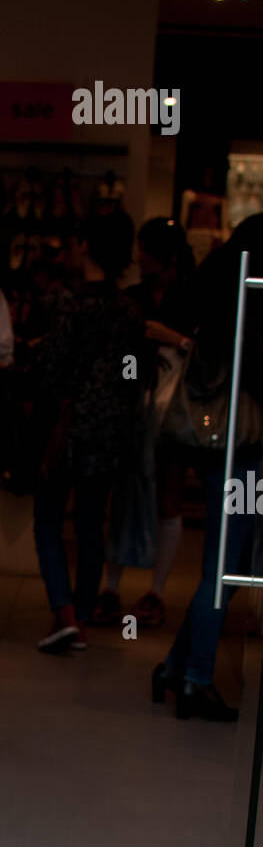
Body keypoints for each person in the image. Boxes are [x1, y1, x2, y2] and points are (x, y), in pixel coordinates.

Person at [153, 213, 263, 721]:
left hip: (223, 447)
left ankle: (177, 668)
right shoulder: (247, 295)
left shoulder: (220, 290)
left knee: (225, 564)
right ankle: (194, 678)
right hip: (244, 452)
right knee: (226, 567)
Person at [32, 211, 145, 652]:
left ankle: (64, 614)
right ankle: (78, 612)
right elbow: (136, 376)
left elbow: (49, 372)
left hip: (65, 429)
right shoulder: (130, 310)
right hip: (109, 430)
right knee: (91, 524)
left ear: (86, 246)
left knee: (48, 521)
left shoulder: (68, 305)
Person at [92, 218, 198, 628]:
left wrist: (174, 338)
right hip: (133, 409)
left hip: (173, 411)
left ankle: (155, 592)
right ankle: (112, 587)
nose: (140, 258)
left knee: (168, 498)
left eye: (147, 251)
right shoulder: (132, 298)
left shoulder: (190, 297)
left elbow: (206, 357)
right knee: (123, 497)